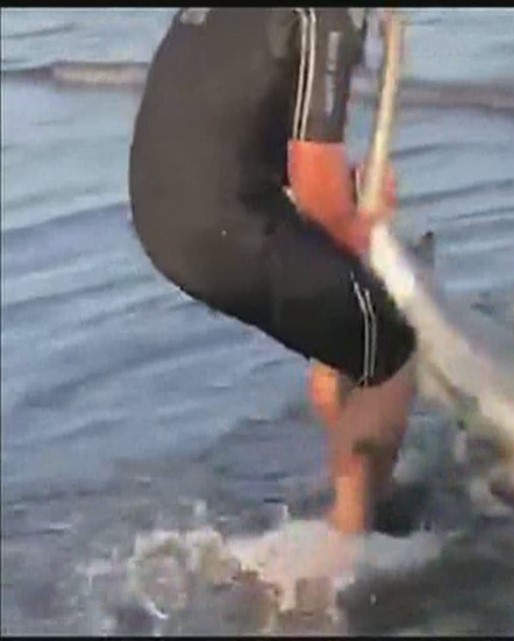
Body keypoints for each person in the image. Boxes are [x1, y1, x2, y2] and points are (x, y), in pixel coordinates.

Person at [128, 8, 420, 536]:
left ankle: (360, 470)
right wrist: (358, 225)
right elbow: (314, 183)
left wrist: (342, 206)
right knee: (395, 353)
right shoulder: (324, 16)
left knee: (344, 309)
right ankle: (350, 547)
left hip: (160, 215)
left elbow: (233, 115)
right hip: (222, 228)